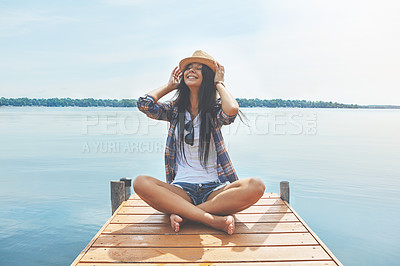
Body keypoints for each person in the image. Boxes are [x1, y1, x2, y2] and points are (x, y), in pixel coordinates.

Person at [134, 50, 265, 235]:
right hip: (181, 190)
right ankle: (210, 219)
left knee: (256, 185)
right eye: (188, 68)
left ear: (208, 77)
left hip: (214, 189)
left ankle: (186, 214)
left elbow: (232, 110)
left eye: (198, 68)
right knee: (141, 182)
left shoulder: (213, 111)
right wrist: (170, 86)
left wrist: (219, 83)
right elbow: (144, 104)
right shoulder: (174, 110)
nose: (191, 70)